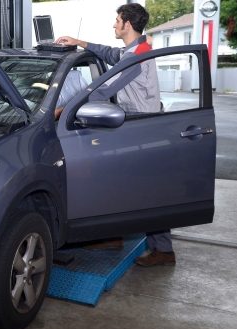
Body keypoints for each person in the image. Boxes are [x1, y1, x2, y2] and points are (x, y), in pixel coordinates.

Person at [56, 3, 175, 267]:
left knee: (147, 190)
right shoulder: (134, 49)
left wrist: (65, 108)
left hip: (142, 128)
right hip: (133, 125)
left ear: (127, 24)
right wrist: (80, 42)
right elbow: (110, 53)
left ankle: (163, 250)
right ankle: (113, 236)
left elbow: (102, 88)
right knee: (118, 182)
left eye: (117, 20)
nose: (114, 24)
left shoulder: (136, 56)